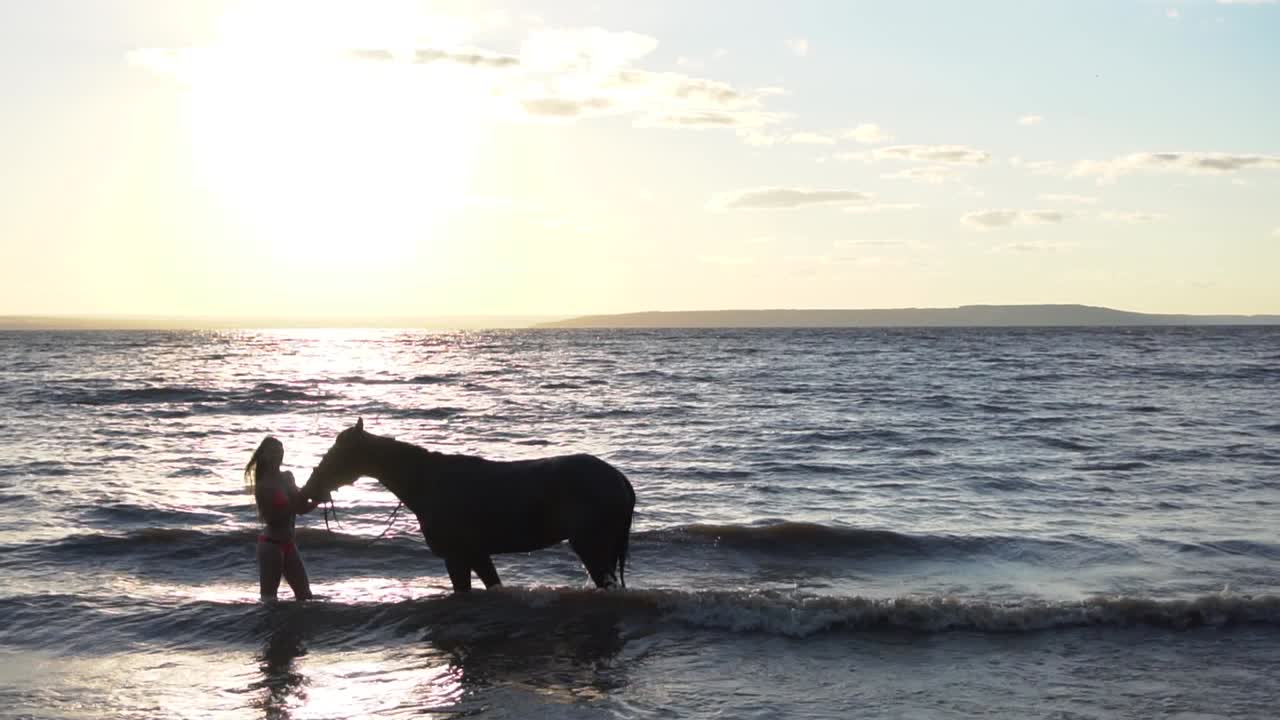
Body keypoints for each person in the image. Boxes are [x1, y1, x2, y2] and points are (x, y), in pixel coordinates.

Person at [245, 436, 321, 601]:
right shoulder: (263, 486)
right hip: (271, 546)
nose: (278, 456)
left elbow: (300, 509)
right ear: (264, 456)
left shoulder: (288, 477)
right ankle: (267, 627)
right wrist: (298, 501)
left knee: (305, 596)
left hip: (289, 544)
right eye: (273, 452)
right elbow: (272, 518)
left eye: (280, 452)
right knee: (269, 599)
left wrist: (317, 500)